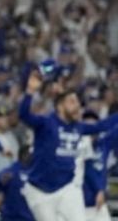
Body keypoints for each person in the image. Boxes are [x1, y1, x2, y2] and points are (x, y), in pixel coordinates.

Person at [18, 70, 118, 221]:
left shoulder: (78, 127)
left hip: (66, 187)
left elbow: (101, 126)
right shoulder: (46, 123)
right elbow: (24, 115)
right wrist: (30, 92)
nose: (77, 106)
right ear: (60, 106)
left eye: (77, 102)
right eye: (72, 102)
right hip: (39, 191)